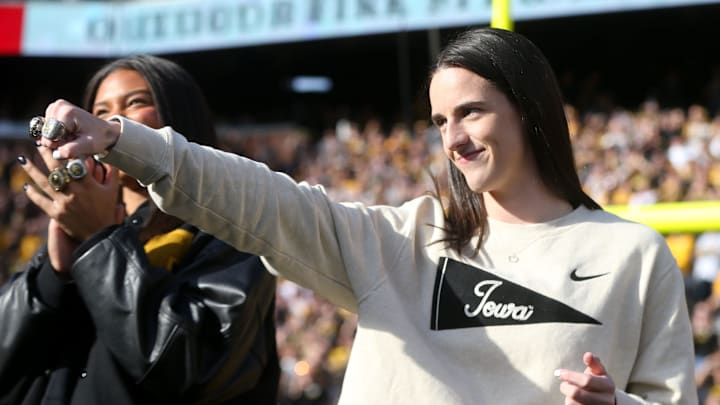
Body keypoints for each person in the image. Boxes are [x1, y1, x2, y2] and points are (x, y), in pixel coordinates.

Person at [40, 28, 696, 404]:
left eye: (471, 111)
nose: (454, 138)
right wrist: (123, 139)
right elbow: (264, 200)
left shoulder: (631, 255)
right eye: (440, 121)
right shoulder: (402, 240)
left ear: (529, 108)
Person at [0, 55, 279, 404]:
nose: (112, 122)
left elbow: (193, 370)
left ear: (180, 119)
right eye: (100, 112)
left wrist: (100, 242)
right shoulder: (83, 232)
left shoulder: (235, 231)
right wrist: (53, 277)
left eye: (135, 103)